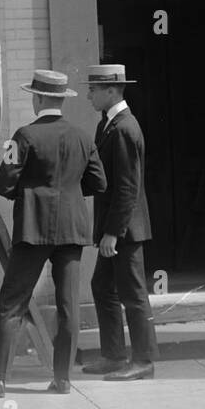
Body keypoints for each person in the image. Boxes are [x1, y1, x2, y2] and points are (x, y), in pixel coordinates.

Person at [0, 70, 106, 398]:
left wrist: (27, 193)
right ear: (61, 100)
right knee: (68, 306)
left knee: (12, 303)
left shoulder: (23, 136)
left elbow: (2, 182)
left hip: (32, 229)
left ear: (38, 98)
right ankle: (63, 379)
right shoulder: (82, 137)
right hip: (72, 231)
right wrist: (70, 194)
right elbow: (99, 183)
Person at [83, 63, 159, 381]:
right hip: (115, 229)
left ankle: (143, 360)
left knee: (133, 293)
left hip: (125, 230)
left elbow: (128, 187)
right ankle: (114, 355)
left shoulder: (125, 128)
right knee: (102, 286)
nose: (89, 95)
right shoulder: (108, 125)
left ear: (111, 91)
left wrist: (113, 232)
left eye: (94, 90)